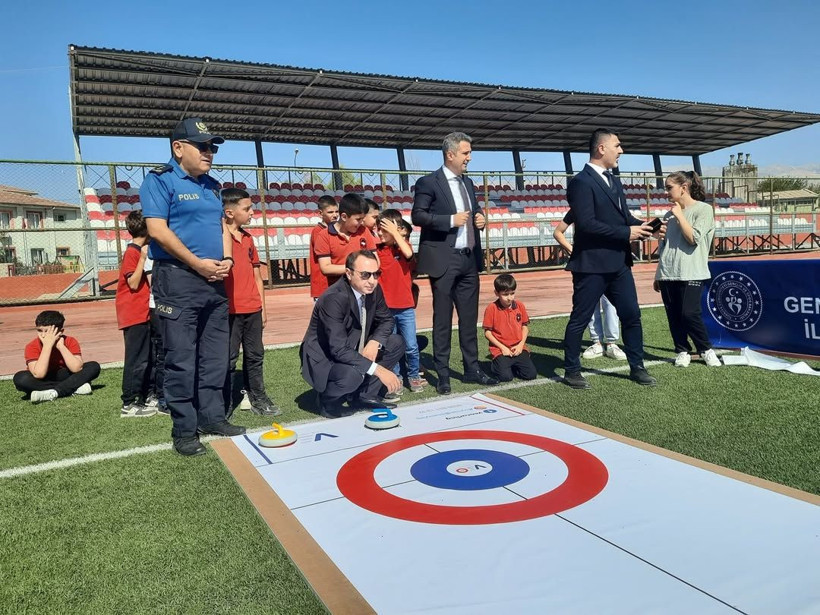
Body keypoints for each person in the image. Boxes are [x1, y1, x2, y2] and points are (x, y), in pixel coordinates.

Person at [141, 117, 245, 457]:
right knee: (181, 359)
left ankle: (212, 417)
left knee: (215, 356)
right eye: (202, 146)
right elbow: (157, 231)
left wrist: (227, 261)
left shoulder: (213, 186)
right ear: (178, 147)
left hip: (214, 280)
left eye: (211, 146)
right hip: (178, 279)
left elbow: (222, 228)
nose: (209, 152)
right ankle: (185, 431)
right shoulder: (159, 181)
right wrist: (197, 264)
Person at [561, 128, 657, 389]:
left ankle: (637, 367)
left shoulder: (614, 180)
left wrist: (647, 226)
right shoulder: (580, 182)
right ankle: (571, 370)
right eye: (618, 145)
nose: (621, 151)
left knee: (631, 315)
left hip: (619, 263)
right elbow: (587, 224)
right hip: (591, 265)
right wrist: (627, 232)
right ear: (601, 148)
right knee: (579, 319)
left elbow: (624, 217)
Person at [411, 131, 498, 395]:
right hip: (444, 261)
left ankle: (472, 369)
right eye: (465, 153)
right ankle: (444, 374)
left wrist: (480, 218)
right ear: (450, 154)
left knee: (469, 320)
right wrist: (450, 220)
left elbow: (474, 212)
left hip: (469, 260)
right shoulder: (428, 182)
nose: (469, 158)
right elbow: (418, 216)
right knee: (443, 321)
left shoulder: (468, 183)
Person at [300, 250, 404, 418]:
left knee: (396, 342)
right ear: (349, 273)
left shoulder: (373, 290)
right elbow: (338, 349)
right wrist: (378, 370)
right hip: (326, 357)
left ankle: (364, 396)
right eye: (365, 275)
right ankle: (327, 401)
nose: (372, 281)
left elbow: (387, 320)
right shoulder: (334, 298)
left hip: (352, 346)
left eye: (376, 274)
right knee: (351, 375)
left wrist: (374, 342)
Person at [222, 187, 281, 417]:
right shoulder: (217, 238)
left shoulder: (248, 239)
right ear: (229, 212)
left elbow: (257, 276)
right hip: (228, 311)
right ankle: (224, 401)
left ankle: (258, 396)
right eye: (247, 209)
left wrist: (262, 308)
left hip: (252, 309)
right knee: (227, 359)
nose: (252, 212)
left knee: (255, 355)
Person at [654, 171, 720, 368]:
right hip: (668, 272)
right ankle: (682, 350)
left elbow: (693, 239)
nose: (666, 192)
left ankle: (705, 349)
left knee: (689, 313)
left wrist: (680, 216)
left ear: (683, 188)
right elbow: (665, 248)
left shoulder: (703, 210)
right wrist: (658, 273)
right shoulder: (668, 215)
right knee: (673, 315)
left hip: (692, 271)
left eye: (669, 187)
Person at [553, 212, 627, 360]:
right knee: (590, 305)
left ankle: (611, 343)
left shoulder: (609, 207)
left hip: (608, 264)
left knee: (610, 304)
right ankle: (597, 342)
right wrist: (573, 250)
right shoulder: (578, 208)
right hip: (586, 266)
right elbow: (558, 232)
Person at [376, 209, 425, 393]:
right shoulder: (378, 250)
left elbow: (409, 255)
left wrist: (396, 232)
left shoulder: (403, 247)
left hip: (405, 308)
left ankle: (413, 376)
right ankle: (396, 377)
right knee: (393, 347)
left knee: (411, 346)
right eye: (378, 229)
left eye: (384, 229)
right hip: (386, 310)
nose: (380, 233)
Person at [115, 211, 156, 417]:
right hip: (133, 314)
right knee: (136, 359)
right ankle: (128, 403)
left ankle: (145, 396)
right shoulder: (133, 251)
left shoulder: (136, 250)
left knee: (147, 357)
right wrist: (142, 258)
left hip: (142, 312)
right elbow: (132, 282)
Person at [13, 310, 100, 403]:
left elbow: (76, 369)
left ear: (60, 331)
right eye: (39, 330)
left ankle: (53, 393)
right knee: (20, 379)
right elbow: (39, 374)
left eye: (47, 331)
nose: (42, 335)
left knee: (93, 366)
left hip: (64, 375)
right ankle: (74, 387)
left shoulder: (70, 341)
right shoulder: (32, 346)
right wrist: (47, 346)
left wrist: (61, 347)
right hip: (44, 380)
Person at [313, 193, 378, 288]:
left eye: (362, 219)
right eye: (358, 219)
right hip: (339, 290)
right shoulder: (324, 235)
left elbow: (376, 261)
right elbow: (326, 268)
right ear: (344, 217)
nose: (361, 222)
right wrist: (354, 269)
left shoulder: (364, 231)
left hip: (364, 288)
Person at [482, 273, 537, 382]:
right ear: (496, 293)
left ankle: (515, 365)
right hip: (500, 350)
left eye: (512, 293)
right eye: (505, 294)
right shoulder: (491, 308)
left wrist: (521, 345)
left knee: (531, 375)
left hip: (518, 348)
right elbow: (487, 333)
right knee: (505, 377)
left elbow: (524, 327)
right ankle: (495, 365)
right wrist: (502, 348)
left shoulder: (520, 306)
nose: (509, 298)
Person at [309, 195, 339, 300]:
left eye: (336, 211)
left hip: (333, 284)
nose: (335, 215)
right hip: (322, 285)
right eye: (330, 212)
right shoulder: (318, 231)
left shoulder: (332, 230)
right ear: (321, 213)